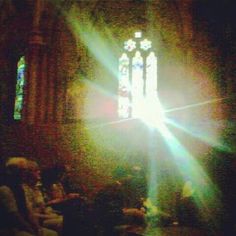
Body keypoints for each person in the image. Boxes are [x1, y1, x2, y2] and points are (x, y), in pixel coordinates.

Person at [0, 157, 57, 236]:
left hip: (24, 225)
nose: (24, 173)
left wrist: (37, 228)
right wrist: (31, 230)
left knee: (52, 234)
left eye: (25, 170)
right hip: (10, 229)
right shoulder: (5, 189)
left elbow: (28, 211)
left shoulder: (19, 188)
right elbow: (15, 216)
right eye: (21, 170)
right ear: (11, 171)